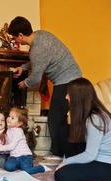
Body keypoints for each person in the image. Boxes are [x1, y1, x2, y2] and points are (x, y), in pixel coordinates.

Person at [7, 16, 82, 157]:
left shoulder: (37, 50)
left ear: (21, 35)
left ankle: (58, 154)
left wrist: (25, 83)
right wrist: (23, 68)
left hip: (67, 82)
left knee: (54, 120)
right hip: (74, 78)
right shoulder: (42, 34)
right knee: (61, 119)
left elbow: (35, 78)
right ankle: (65, 152)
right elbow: (41, 62)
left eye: (14, 38)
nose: (15, 41)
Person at [54, 78, 111, 181]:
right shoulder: (89, 114)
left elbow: (90, 155)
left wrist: (65, 162)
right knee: (64, 129)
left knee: (61, 176)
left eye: (69, 94)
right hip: (96, 159)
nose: (66, 97)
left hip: (108, 167)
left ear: (78, 97)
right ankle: (80, 173)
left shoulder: (95, 118)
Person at [0, 107, 50, 174]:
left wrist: (0, 148)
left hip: (25, 156)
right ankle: (21, 165)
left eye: (12, 118)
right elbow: (7, 145)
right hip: (14, 157)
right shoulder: (8, 130)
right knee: (8, 167)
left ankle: (42, 168)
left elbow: (12, 146)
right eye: (9, 116)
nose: (9, 119)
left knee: (27, 171)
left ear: (19, 123)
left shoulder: (19, 131)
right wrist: (1, 150)